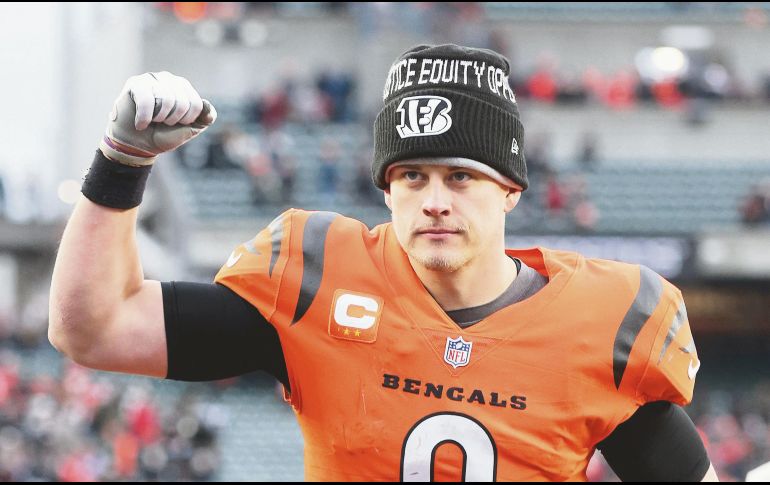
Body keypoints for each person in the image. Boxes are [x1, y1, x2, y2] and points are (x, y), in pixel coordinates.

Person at [49, 48, 718, 481]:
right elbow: (93, 328)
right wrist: (122, 162)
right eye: (412, 176)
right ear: (386, 187)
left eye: (460, 177)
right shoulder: (318, 279)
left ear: (511, 188)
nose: (433, 202)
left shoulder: (601, 323)